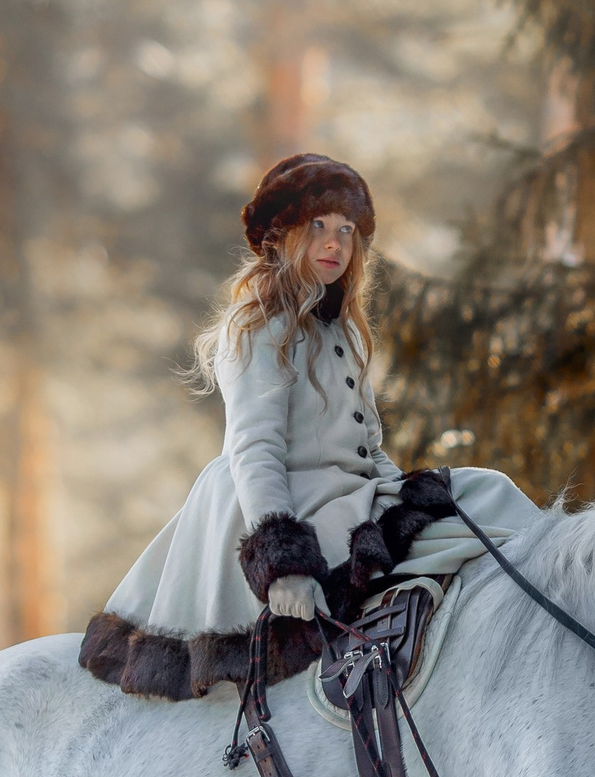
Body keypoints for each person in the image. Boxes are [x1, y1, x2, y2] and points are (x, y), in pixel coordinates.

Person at [81, 153, 541, 699]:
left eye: (346, 230)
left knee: (486, 491)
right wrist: (283, 566)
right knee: (470, 511)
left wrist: (407, 497)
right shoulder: (259, 326)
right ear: (282, 235)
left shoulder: (342, 327)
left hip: (351, 495)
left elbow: (370, 447)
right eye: (318, 226)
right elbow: (255, 449)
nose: (334, 243)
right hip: (291, 506)